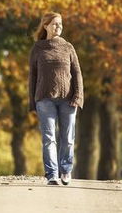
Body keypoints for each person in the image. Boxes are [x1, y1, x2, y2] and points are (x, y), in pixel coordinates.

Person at [28, 12, 84, 185]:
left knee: (67, 138)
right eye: (54, 24)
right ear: (45, 26)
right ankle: (52, 174)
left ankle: (66, 171)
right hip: (44, 99)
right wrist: (32, 102)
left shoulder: (68, 47)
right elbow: (32, 76)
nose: (58, 27)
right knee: (49, 138)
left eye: (60, 24)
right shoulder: (38, 48)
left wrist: (78, 96)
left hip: (68, 99)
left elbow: (77, 74)